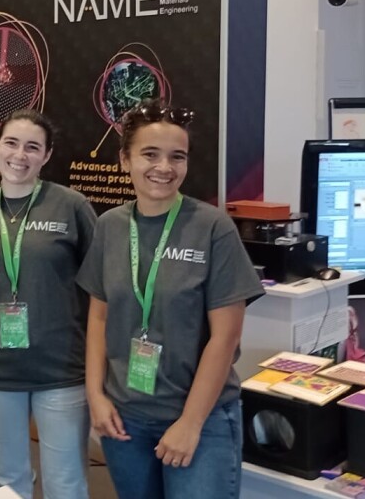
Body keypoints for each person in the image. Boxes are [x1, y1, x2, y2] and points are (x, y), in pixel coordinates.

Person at [76, 99, 263, 499]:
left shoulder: (213, 228)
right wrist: (95, 395)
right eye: (150, 154)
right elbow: (99, 319)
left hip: (202, 418)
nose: (164, 168)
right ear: (124, 159)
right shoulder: (110, 226)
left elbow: (224, 338)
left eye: (177, 157)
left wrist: (190, 424)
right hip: (126, 416)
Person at [0, 109, 97, 499]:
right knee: (6, 479)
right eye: (11, 143)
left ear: (47, 155)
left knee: (65, 481)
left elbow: (99, 287)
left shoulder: (71, 205)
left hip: (62, 368)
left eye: (32, 147)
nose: (20, 155)